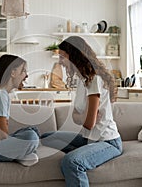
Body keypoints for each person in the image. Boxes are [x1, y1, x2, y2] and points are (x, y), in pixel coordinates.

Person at [41, 36, 123, 186]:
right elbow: (77, 117)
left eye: (62, 56)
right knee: (46, 137)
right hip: (89, 139)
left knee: (71, 162)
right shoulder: (82, 80)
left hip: (107, 142)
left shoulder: (94, 80)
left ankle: (82, 156)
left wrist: (82, 117)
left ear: (75, 56)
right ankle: (86, 152)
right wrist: (82, 117)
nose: (59, 61)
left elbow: (89, 123)